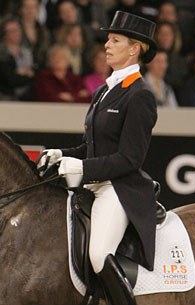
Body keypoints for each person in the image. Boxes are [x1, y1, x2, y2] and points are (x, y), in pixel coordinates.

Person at [43, 10, 158, 305]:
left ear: (134, 49)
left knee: (98, 254)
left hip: (118, 188)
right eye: (107, 40)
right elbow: (90, 147)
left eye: (115, 40)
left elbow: (130, 159)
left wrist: (81, 168)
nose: (106, 45)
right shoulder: (103, 91)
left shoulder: (140, 95)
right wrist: (62, 155)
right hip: (92, 184)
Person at [0, 16, 34, 100]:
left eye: (17, 30)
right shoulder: (1, 53)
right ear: (4, 34)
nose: (16, 33)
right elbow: (10, 79)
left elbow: (33, 73)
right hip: (5, 95)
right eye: (12, 31)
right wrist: (28, 75)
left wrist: (19, 73)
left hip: (26, 95)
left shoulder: (27, 52)